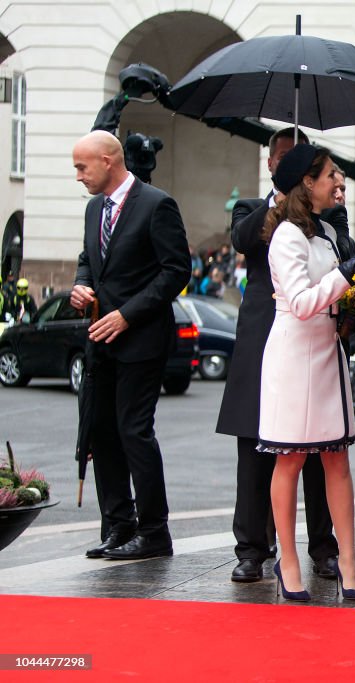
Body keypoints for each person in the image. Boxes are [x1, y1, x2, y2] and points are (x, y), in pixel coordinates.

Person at [216, 128, 355, 583]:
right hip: (269, 333)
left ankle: (324, 548)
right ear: (271, 163)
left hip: (320, 336)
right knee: (260, 450)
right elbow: (243, 240)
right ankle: (253, 548)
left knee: (324, 452)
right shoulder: (255, 211)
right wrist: (281, 198)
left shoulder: (330, 220)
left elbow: (344, 260)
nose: (283, 162)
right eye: (280, 157)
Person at [256, 143, 355, 601]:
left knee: (337, 461)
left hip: (327, 351)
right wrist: (346, 273)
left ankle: (348, 561)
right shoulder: (286, 234)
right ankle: (287, 560)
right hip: (294, 357)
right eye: (331, 176)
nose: (338, 183)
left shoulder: (324, 231)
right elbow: (304, 302)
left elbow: (328, 301)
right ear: (308, 182)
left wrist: (354, 315)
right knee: (289, 460)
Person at [70, 130, 191, 560]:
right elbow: (89, 260)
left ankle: (154, 531)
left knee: (133, 432)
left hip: (141, 339)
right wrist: (81, 287)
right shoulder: (92, 210)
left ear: (108, 160)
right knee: (101, 432)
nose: (79, 176)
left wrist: (127, 314)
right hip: (99, 341)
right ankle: (118, 527)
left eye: (82, 167)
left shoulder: (157, 204)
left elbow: (176, 271)